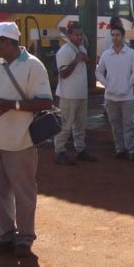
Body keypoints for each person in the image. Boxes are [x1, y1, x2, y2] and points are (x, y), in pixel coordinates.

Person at [0, 22, 53, 258]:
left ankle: (25, 238)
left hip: (20, 141)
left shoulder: (33, 66)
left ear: (6, 42)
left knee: (23, 191)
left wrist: (13, 105)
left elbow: (46, 102)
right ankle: (5, 235)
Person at [96, 25, 134, 161]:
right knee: (115, 124)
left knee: (128, 124)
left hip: (127, 96)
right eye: (113, 35)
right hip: (110, 96)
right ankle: (120, 149)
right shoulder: (106, 54)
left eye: (118, 35)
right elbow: (98, 71)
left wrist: (128, 84)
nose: (115, 37)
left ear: (123, 36)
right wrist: (106, 84)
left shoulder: (131, 53)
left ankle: (132, 150)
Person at [53, 21, 95, 165]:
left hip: (81, 93)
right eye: (76, 35)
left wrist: (84, 59)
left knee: (80, 125)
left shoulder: (81, 48)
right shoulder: (64, 51)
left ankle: (80, 149)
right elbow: (63, 74)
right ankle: (59, 150)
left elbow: (86, 64)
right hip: (68, 95)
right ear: (69, 35)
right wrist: (77, 61)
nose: (79, 38)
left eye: (80, 35)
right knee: (65, 124)